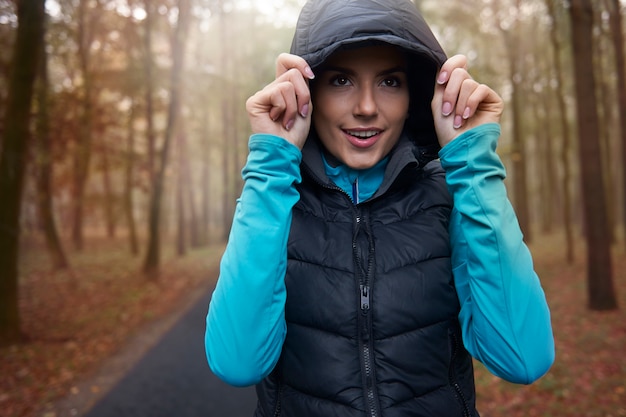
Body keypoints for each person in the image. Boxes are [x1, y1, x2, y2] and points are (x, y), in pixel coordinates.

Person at [205, 0, 555, 415]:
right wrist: (271, 163)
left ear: (416, 95)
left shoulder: (452, 194)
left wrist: (473, 165)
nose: (367, 106)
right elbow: (237, 363)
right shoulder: (276, 198)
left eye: (390, 82)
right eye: (340, 81)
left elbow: (522, 359)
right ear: (307, 92)